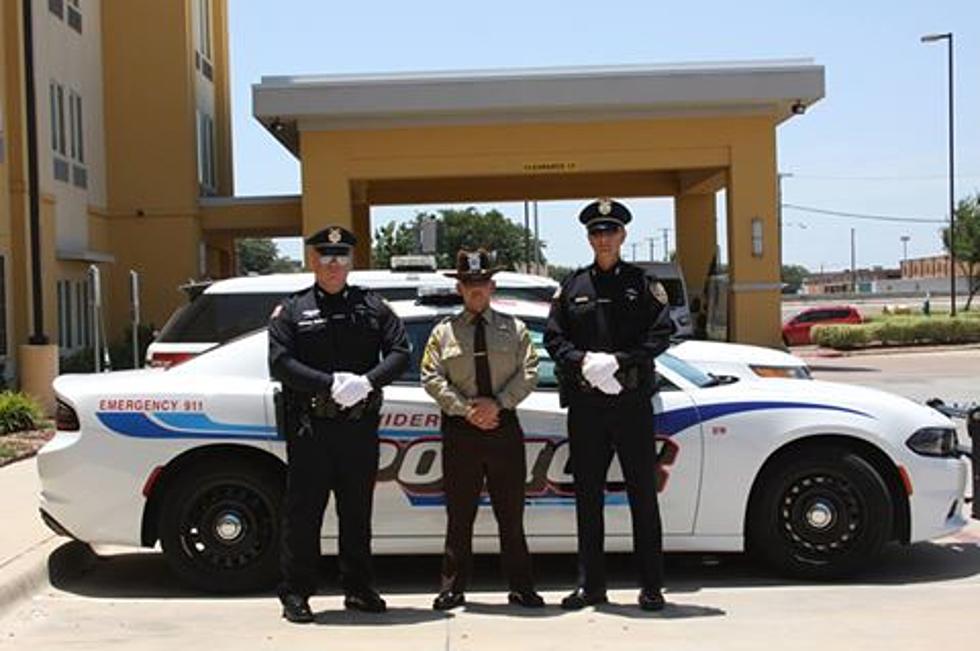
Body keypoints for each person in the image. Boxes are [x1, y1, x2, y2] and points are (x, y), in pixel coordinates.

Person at [268, 225, 410, 623]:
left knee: (356, 512)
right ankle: (296, 592)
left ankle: (359, 589)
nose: (333, 264)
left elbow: (400, 352)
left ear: (351, 261)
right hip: (310, 428)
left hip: (358, 427)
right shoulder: (292, 310)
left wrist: (368, 382)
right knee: (303, 514)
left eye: (341, 256)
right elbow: (280, 362)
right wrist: (328, 384)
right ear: (313, 260)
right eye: (326, 256)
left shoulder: (373, 306)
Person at [544, 199, 673, 612]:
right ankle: (591, 587)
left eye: (610, 231)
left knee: (642, 496)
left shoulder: (643, 283)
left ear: (622, 236)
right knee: (587, 499)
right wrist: (582, 361)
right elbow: (553, 338)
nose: (603, 239)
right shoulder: (573, 286)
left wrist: (619, 361)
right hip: (587, 407)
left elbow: (660, 336)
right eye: (596, 233)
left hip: (632, 403)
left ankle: (652, 587)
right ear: (588, 238)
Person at [421, 249, 544, 611]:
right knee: (459, 514)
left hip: (504, 427)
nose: (475, 290)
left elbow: (530, 372)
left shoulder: (515, 328)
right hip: (462, 432)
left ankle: (522, 587)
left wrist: (499, 403)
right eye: (468, 284)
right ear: (460, 288)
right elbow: (431, 376)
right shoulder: (443, 332)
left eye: (481, 283)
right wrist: (465, 410)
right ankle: (452, 589)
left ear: (492, 286)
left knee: (511, 514)